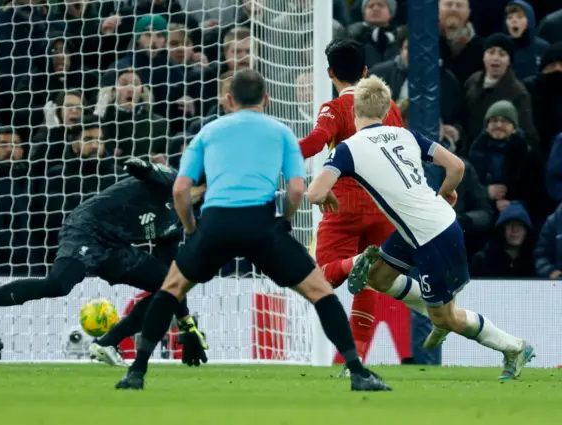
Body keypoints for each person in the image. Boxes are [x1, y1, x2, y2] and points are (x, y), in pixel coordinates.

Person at [114, 69, 391, 392]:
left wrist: (193, 229)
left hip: (215, 224)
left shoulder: (208, 131)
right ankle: (357, 373)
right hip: (261, 225)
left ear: (229, 100)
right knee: (320, 293)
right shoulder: (281, 132)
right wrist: (284, 220)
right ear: (267, 99)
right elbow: (297, 189)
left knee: (171, 289)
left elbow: (180, 190)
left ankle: (136, 371)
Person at [307, 75, 534, 380]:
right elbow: (456, 166)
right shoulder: (406, 135)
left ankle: (514, 346)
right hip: (426, 224)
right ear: (388, 108)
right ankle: (434, 309)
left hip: (433, 236)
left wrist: (328, 193)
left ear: (354, 112)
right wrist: (446, 193)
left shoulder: (348, 149)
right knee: (377, 277)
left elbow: (314, 194)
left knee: (447, 317)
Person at [0, 159, 208, 367]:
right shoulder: (171, 181)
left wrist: (187, 323)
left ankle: (107, 343)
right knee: (58, 285)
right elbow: (147, 170)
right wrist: (138, 166)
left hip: (115, 246)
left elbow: (171, 280)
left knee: (168, 290)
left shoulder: (176, 223)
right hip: (87, 227)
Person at [298, 38, 426, 360]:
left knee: (322, 277)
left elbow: (316, 142)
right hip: (385, 206)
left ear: (330, 73)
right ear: (366, 71)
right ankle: (351, 362)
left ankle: (355, 261)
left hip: (344, 205)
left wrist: (281, 154)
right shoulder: (390, 108)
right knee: (371, 284)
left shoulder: (335, 107)